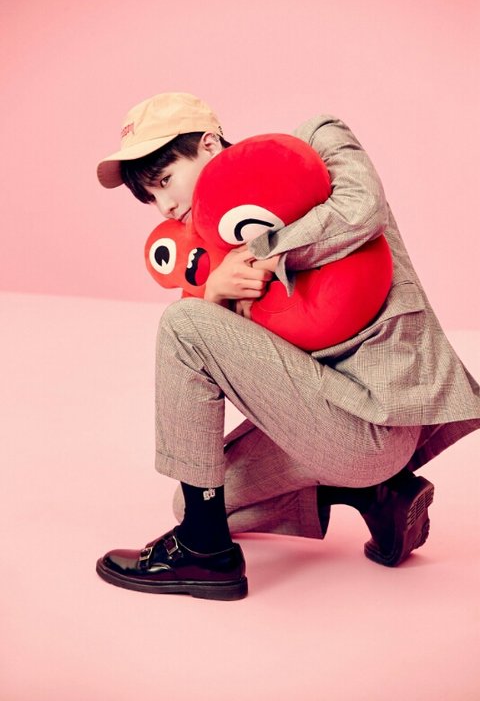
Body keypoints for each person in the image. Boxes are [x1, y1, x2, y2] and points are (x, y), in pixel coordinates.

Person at [95, 92, 480, 600]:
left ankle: (205, 554)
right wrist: (214, 292)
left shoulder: (318, 141)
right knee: (193, 501)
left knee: (182, 324)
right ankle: (376, 494)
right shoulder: (211, 252)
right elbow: (244, 366)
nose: (164, 206)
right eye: (150, 197)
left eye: (165, 180)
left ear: (208, 144)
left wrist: (258, 252)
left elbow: (360, 210)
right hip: (322, 417)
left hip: (378, 415)